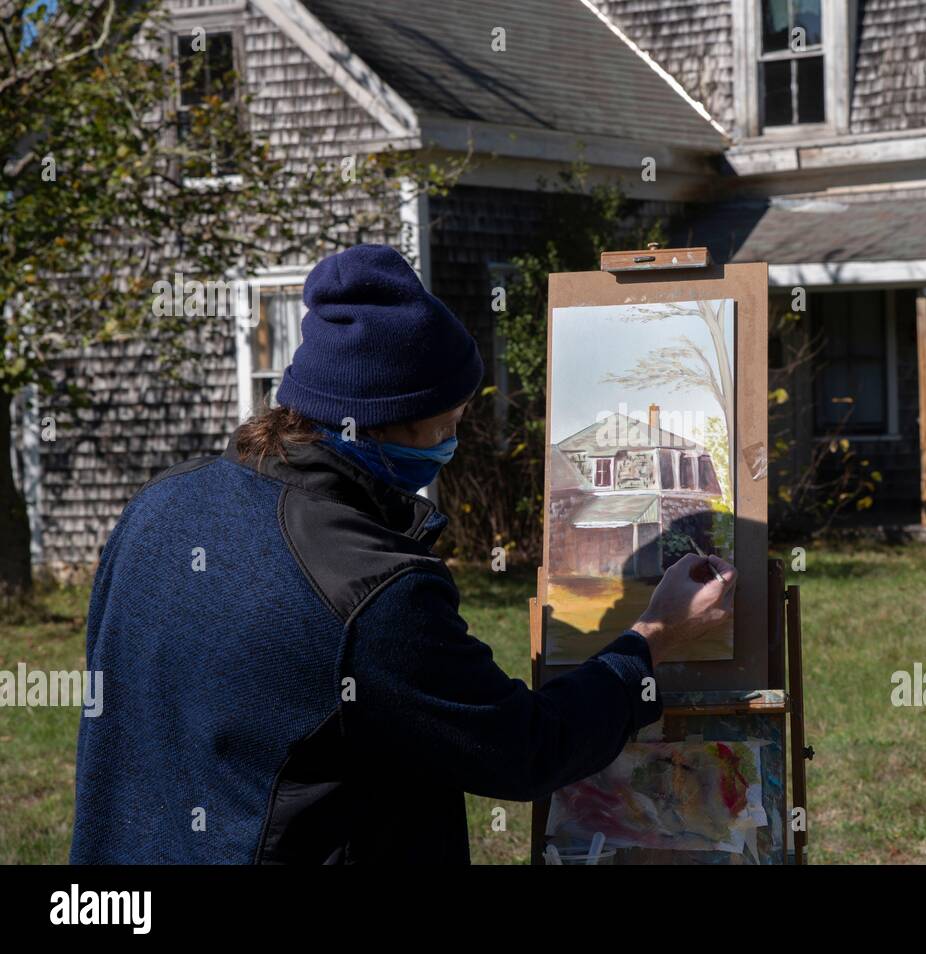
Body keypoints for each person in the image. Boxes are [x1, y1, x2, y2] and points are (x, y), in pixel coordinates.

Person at [70, 244, 736, 864]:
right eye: (447, 423)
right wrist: (652, 638)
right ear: (387, 419)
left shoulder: (157, 508)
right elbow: (525, 749)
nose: (457, 437)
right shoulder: (372, 589)